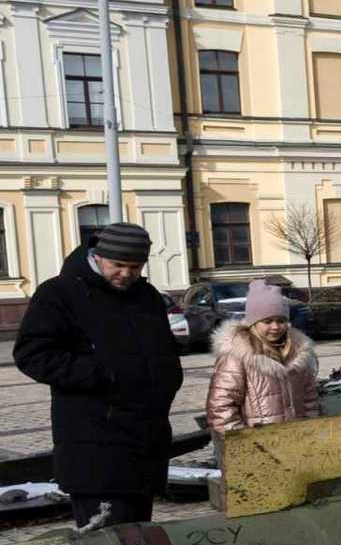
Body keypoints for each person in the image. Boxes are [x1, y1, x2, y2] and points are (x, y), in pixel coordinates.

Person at [13, 222, 183, 528]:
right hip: (94, 446)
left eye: (135, 266)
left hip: (145, 445)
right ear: (98, 256)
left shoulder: (146, 296)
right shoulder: (60, 293)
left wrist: (168, 377)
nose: (127, 274)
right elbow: (32, 354)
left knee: (140, 541)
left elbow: (163, 353)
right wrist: (102, 374)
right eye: (118, 265)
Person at [204, 281, 320, 454]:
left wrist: (309, 433)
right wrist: (246, 445)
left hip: (296, 445)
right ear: (254, 322)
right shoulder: (237, 356)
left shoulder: (298, 353)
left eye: (281, 320)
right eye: (267, 321)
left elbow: (309, 399)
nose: (275, 327)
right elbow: (221, 408)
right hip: (256, 450)